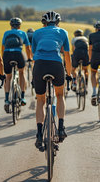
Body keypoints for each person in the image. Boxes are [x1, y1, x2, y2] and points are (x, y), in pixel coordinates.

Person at [32, 11, 72, 150]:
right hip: (56, 65)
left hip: (40, 66)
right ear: (58, 23)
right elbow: (67, 55)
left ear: (43, 23)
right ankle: (60, 128)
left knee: (41, 101)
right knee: (60, 95)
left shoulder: (37, 33)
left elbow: (34, 55)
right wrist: (69, 73)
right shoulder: (63, 32)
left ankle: (38, 134)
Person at [2, 17, 33, 113]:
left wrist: (4, 58)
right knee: (21, 72)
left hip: (7, 54)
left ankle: (7, 99)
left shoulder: (6, 33)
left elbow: (2, 47)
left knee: (8, 76)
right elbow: (27, 48)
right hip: (18, 54)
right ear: (20, 26)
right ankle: (22, 97)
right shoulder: (23, 33)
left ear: (10, 26)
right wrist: (29, 58)